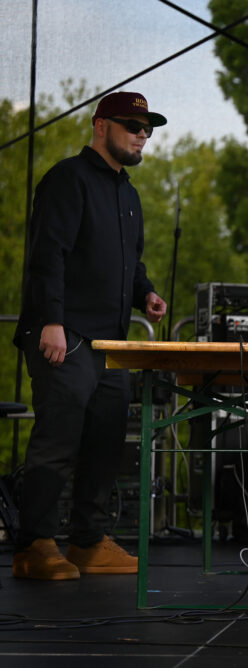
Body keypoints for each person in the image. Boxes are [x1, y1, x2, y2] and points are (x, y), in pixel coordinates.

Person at [11, 91, 168, 580]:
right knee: (57, 441)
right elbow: (47, 255)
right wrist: (51, 321)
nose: (142, 134)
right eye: (132, 125)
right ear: (101, 126)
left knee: (105, 444)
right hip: (66, 333)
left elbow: (128, 261)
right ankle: (33, 545)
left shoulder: (128, 193)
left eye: (148, 128)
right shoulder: (67, 179)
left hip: (109, 344)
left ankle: (88, 541)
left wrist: (145, 294)